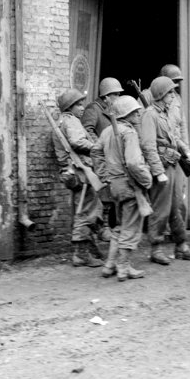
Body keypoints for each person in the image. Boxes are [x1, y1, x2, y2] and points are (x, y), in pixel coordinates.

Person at [141, 76, 190, 264]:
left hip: (174, 164)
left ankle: (181, 246)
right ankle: (156, 248)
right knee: (160, 209)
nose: (173, 95)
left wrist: (186, 150)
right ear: (160, 95)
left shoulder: (166, 112)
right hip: (162, 167)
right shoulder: (150, 115)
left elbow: (174, 137)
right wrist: (158, 172)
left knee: (177, 206)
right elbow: (148, 146)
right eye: (169, 92)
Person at [97, 95, 153, 281]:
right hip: (130, 186)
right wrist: (147, 179)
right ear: (126, 115)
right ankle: (124, 267)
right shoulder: (128, 133)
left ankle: (109, 264)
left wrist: (105, 175)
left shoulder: (106, 132)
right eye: (135, 113)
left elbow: (95, 152)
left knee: (119, 225)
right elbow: (134, 163)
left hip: (115, 186)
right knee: (131, 227)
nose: (138, 115)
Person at [53, 88, 105, 268]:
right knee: (85, 212)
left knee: (86, 209)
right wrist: (97, 147)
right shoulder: (71, 121)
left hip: (72, 172)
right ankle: (81, 254)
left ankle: (89, 248)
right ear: (70, 107)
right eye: (79, 104)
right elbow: (77, 142)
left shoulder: (62, 121)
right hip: (79, 171)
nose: (82, 108)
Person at [81, 77, 124, 242]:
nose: (118, 98)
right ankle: (103, 228)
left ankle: (110, 226)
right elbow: (87, 130)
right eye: (115, 95)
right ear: (106, 96)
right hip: (99, 158)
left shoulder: (113, 110)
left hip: (111, 158)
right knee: (103, 195)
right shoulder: (94, 109)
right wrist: (100, 145)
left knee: (112, 193)